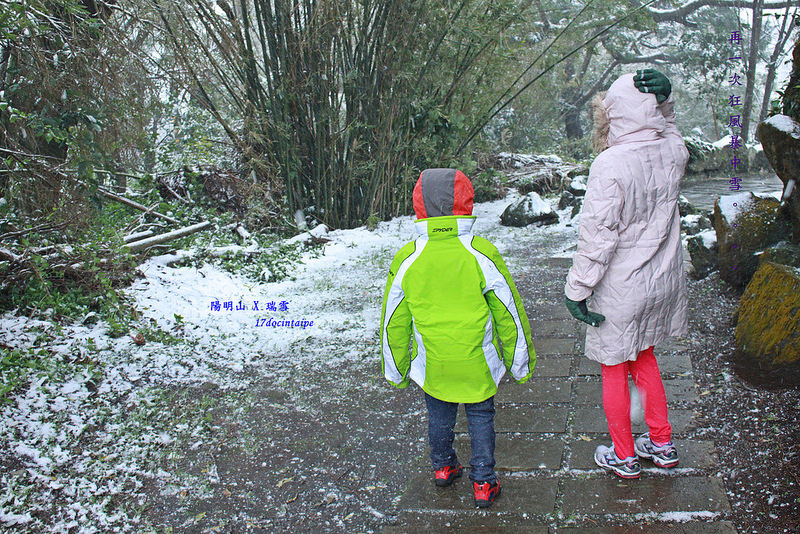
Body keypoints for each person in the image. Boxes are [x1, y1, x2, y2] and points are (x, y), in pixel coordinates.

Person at [380, 168, 535, 507]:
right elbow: (508, 313)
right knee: (481, 416)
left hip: (434, 363)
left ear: (419, 205)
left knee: (439, 415)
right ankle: (483, 482)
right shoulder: (480, 253)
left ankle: (443, 467)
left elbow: (394, 320)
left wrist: (397, 369)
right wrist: (518, 361)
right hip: (477, 362)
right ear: (466, 202)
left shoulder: (408, 259)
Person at [564, 69, 689, 479]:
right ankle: (663, 443)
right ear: (651, 107)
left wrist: (578, 290)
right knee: (647, 357)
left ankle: (624, 454)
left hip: (619, 289)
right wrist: (665, 103)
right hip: (659, 284)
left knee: (614, 367)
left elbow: (598, 237)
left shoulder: (610, 163)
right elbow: (669, 131)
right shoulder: (673, 152)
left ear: (613, 114)